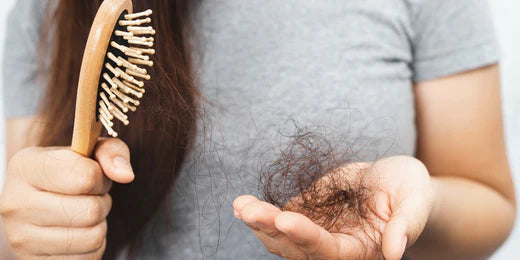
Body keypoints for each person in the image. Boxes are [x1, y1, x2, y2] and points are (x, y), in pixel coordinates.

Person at [0, 0, 515, 259]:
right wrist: (20, 236)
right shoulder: (48, 11)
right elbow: (38, 221)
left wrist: (414, 206)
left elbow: (489, 204)